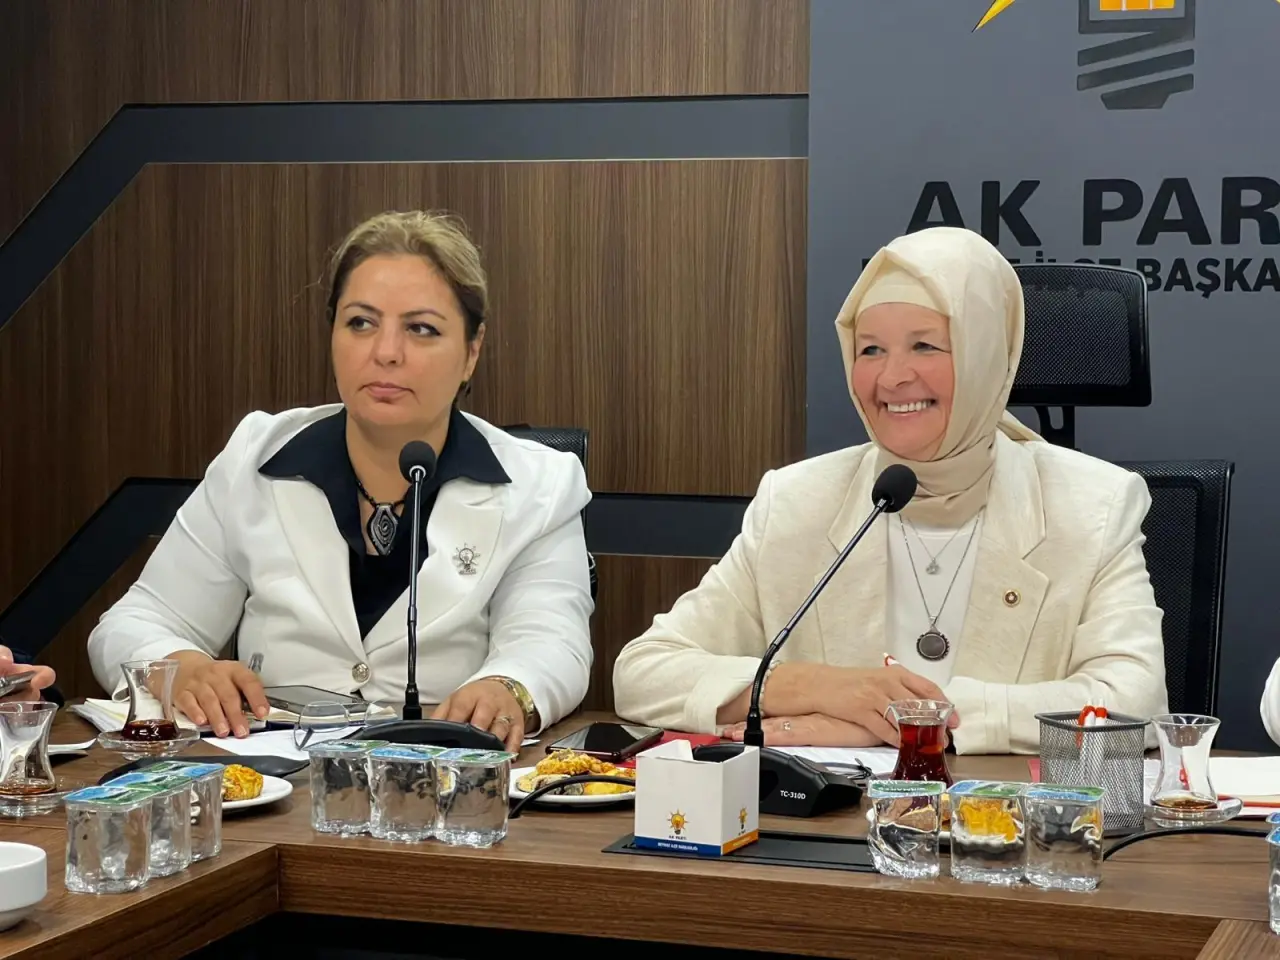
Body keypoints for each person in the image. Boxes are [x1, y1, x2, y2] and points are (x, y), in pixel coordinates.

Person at [612, 226, 1168, 754]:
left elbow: (1134, 703)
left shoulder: (1096, 504)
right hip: (834, 816)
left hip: (1010, 816)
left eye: (924, 345)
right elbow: (642, 673)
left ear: (984, 355)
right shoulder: (796, 501)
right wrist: (824, 689)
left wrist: (909, 723)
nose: (892, 377)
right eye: (871, 349)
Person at [88, 210, 594, 750]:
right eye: (361, 323)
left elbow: (551, 643)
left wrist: (508, 687)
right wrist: (178, 666)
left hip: (441, 778)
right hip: (276, 779)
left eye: (421, 329)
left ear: (472, 351)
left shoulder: (540, 484)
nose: (386, 352)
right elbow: (136, 622)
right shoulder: (255, 457)